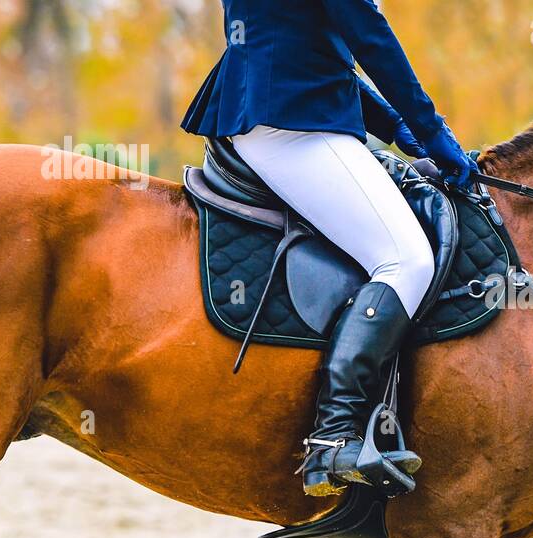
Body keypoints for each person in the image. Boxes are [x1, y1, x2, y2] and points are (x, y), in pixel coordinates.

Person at [181, 0, 478, 497]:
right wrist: (433, 132)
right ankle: (333, 436)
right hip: (292, 125)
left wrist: (392, 124)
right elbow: (370, 37)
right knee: (406, 259)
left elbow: (310, 39)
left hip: (282, 105)